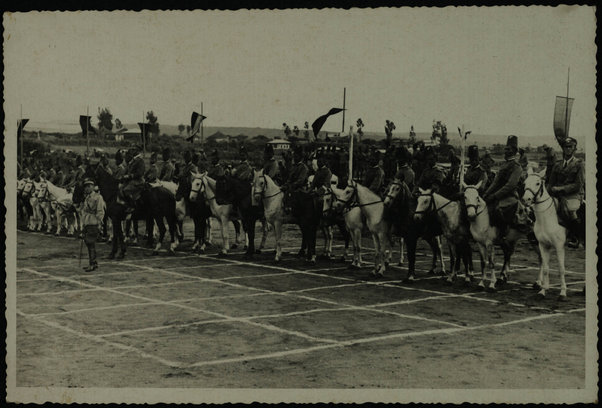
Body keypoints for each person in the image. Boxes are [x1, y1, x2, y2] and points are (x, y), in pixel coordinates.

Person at [482, 135, 530, 234]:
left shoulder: (517, 167)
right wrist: (486, 194)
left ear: (514, 151)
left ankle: (503, 234)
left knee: (498, 210)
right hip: (499, 194)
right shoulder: (504, 164)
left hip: (510, 196)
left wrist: (494, 196)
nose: (505, 151)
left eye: (508, 149)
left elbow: (510, 186)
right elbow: (496, 182)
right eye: (506, 149)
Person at [547, 136, 585, 247]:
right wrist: (547, 192)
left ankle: (576, 238)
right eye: (565, 147)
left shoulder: (579, 164)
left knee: (570, 210)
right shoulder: (557, 164)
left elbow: (578, 185)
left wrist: (561, 188)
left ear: (574, 149)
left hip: (573, 195)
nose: (567, 149)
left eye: (570, 147)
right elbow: (551, 182)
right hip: (557, 194)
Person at [80, 178, 106, 272]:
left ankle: (92, 264)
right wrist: (83, 223)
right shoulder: (87, 198)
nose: (86, 188)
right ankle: (93, 263)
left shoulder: (98, 197)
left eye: (89, 186)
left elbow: (100, 211)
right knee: (88, 243)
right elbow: (84, 211)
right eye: (85, 186)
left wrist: (99, 223)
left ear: (93, 187)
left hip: (94, 222)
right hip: (87, 222)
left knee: (90, 243)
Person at [283, 146, 309, 212]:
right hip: (293, 187)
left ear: (300, 157)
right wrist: (286, 184)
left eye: (296, 156)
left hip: (301, 187)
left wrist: (292, 185)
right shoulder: (294, 166)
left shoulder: (304, 167)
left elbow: (301, 180)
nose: (294, 158)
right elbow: (290, 178)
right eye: (294, 156)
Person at [119, 145, 145, 211]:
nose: (132, 151)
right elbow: (129, 170)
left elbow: (140, 173)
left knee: (126, 190)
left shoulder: (140, 161)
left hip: (138, 181)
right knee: (120, 188)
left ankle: (132, 206)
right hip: (131, 181)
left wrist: (129, 176)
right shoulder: (134, 160)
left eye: (134, 150)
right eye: (132, 149)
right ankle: (125, 204)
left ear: (138, 151)